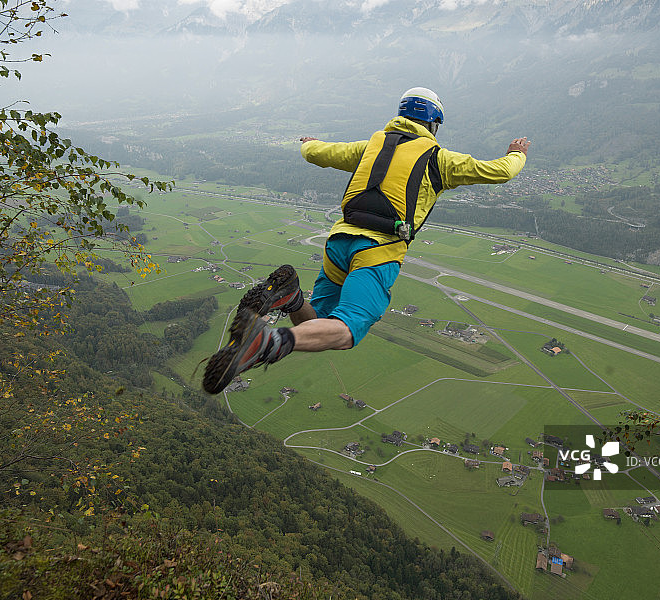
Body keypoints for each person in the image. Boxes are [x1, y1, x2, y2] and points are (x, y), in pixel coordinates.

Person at [203, 87, 531, 394]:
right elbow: (499, 171)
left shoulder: (373, 145)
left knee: (318, 321)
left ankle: (291, 300)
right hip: (378, 251)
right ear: (434, 123)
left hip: (339, 242)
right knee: (347, 331)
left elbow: (321, 153)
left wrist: (307, 144)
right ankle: (267, 343)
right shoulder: (438, 159)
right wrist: (517, 154)